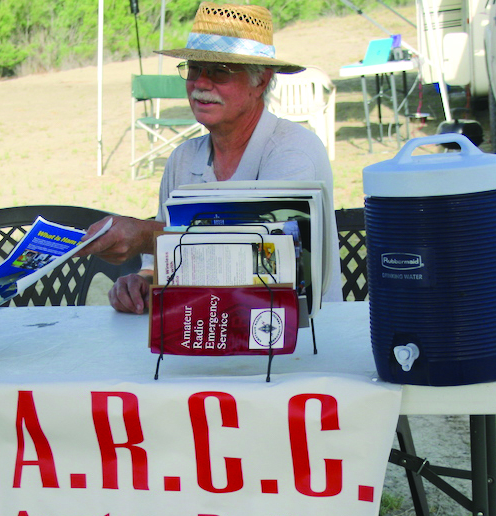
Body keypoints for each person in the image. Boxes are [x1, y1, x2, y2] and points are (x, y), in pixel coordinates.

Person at [82, 2, 335, 313]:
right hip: (204, 332)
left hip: (290, 343)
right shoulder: (183, 159)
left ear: (262, 80)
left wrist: (147, 235)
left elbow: (270, 260)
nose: (200, 83)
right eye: (194, 69)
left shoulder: (292, 152)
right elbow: (161, 267)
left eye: (219, 71)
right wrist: (140, 283)